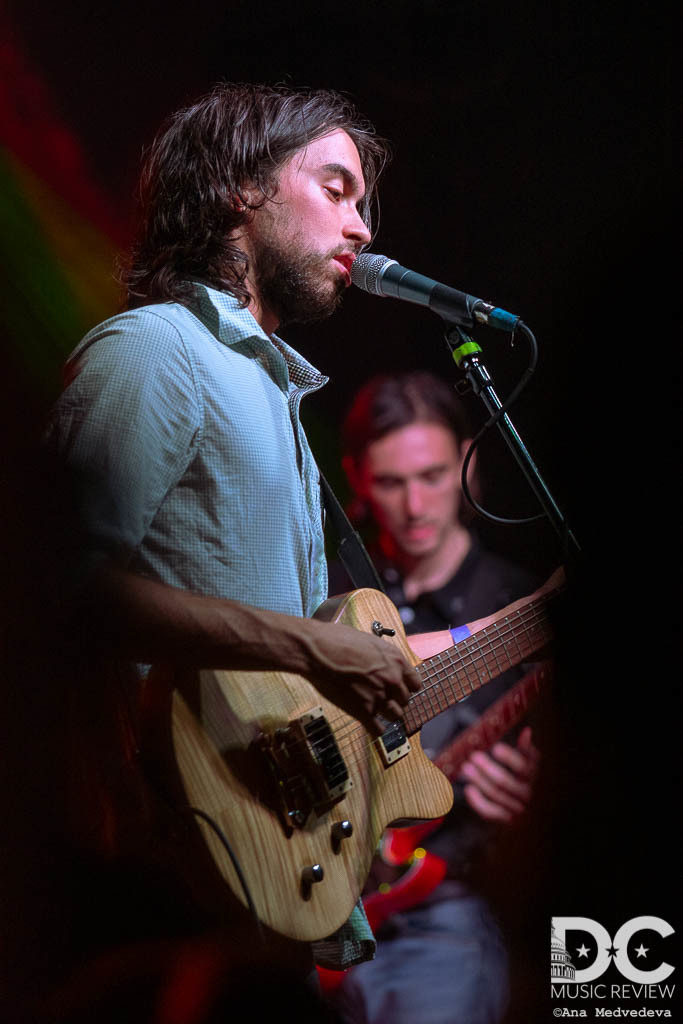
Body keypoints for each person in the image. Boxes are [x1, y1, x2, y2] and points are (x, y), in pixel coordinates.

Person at [35, 84, 551, 1018]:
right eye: (336, 188)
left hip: (279, 886)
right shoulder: (157, 352)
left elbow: (347, 663)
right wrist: (312, 648)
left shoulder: (268, 393)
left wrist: (540, 616)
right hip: (173, 880)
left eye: (364, 203)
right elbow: (57, 588)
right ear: (241, 188)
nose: (360, 226)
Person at [327, 371, 544, 1024]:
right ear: (357, 479)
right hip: (322, 905)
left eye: (432, 475)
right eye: (391, 482)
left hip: (454, 908)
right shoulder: (328, 598)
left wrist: (529, 809)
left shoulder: (521, 607)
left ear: (469, 470)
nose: (415, 505)